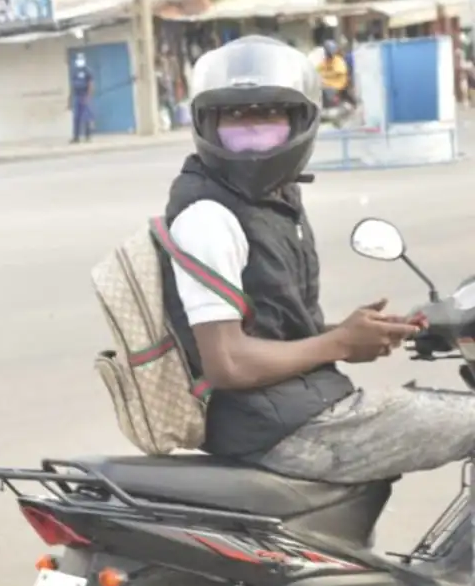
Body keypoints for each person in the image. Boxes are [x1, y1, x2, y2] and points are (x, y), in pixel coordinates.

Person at [161, 34, 475, 487]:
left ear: (301, 120)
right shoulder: (209, 216)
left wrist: (349, 334)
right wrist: (341, 344)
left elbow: (266, 330)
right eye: (235, 115)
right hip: (287, 431)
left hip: (289, 410)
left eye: (269, 114)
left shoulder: (268, 200)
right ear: (207, 123)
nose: (252, 131)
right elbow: (227, 363)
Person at [317, 39, 353, 108]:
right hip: (326, 86)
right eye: (327, 54)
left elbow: (338, 72)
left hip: (337, 86)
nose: (328, 56)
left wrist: (324, 76)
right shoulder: (325, 61)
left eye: (329, 54)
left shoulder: (338, 60)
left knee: (327, 92)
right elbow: (317, 70)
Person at [69, 52, 94, 143]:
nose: (80, 61)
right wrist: (70, 99)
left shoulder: (87, 71)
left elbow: (90, 84)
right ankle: (76, 137)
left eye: (81, 59)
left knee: (86, 117)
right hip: (76, 96)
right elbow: (72, 85)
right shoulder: (74, 71)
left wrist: (88, 96)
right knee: (76, 117)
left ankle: (88, 136)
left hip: (84, 95)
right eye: (78, 59)